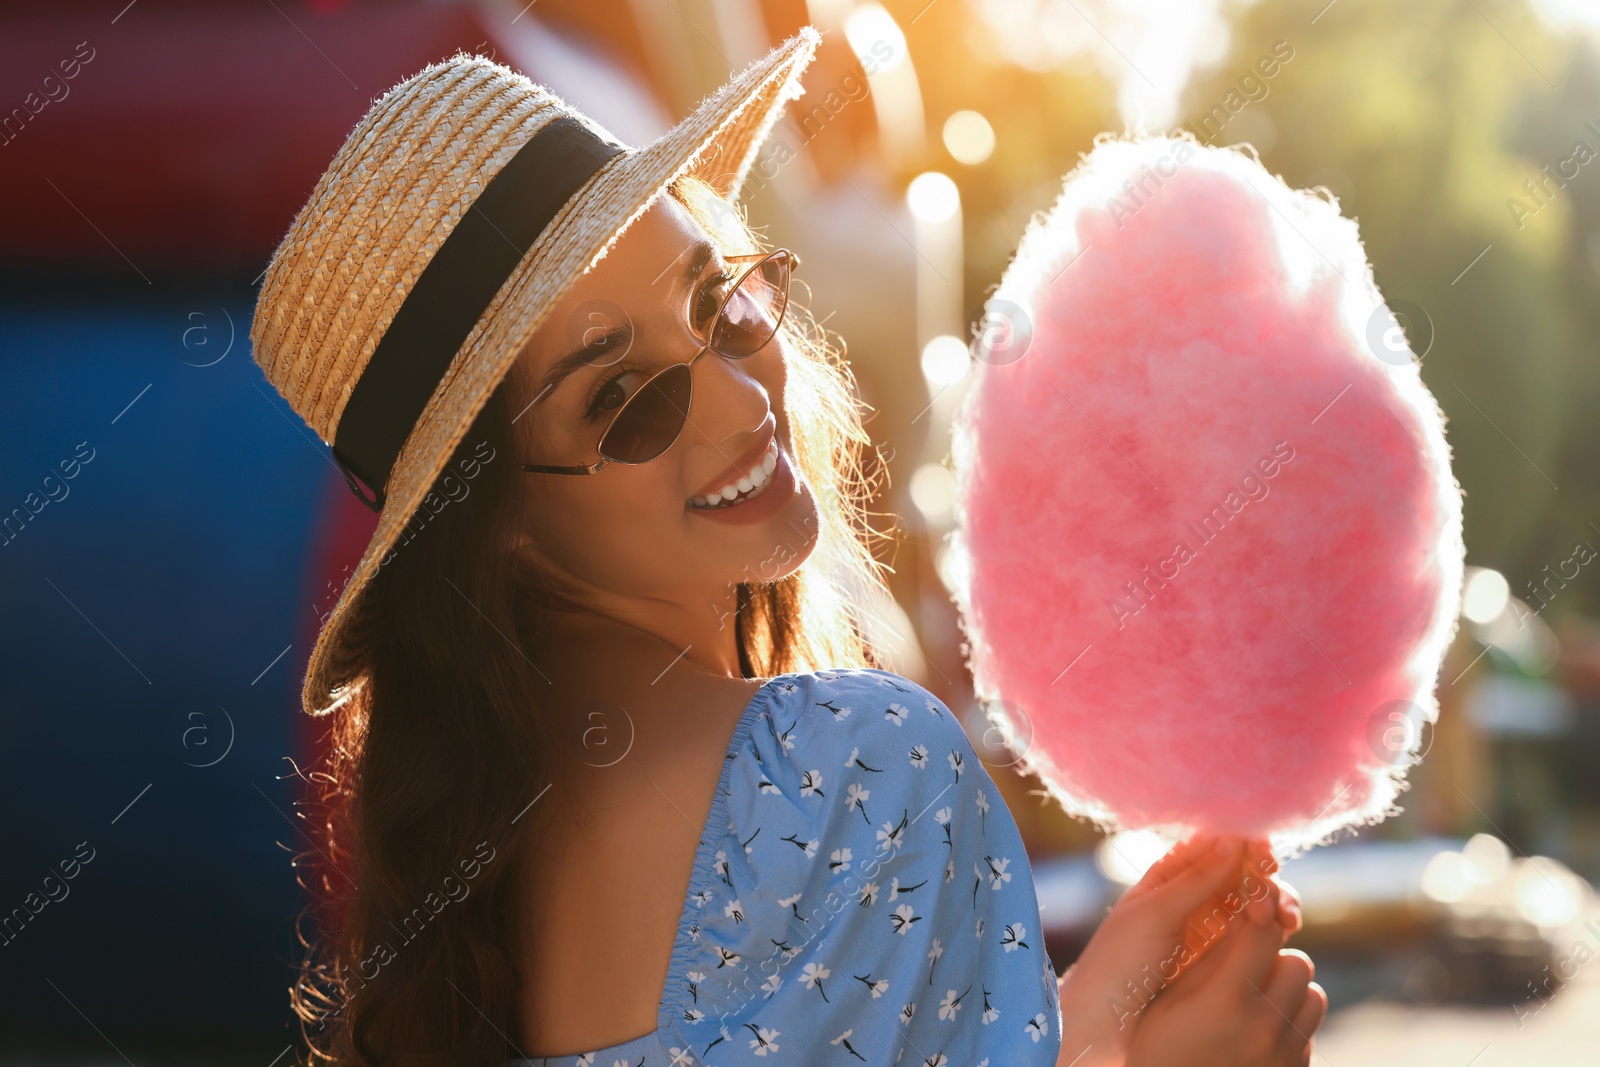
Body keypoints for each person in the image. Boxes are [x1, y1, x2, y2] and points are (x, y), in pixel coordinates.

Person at [249, 28, 1325, 1067]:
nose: (734, 400)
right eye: (620, 398)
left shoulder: (463, 892)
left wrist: (1084, 1019)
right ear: (500, 525)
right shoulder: (855, 763)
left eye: (715, 300)